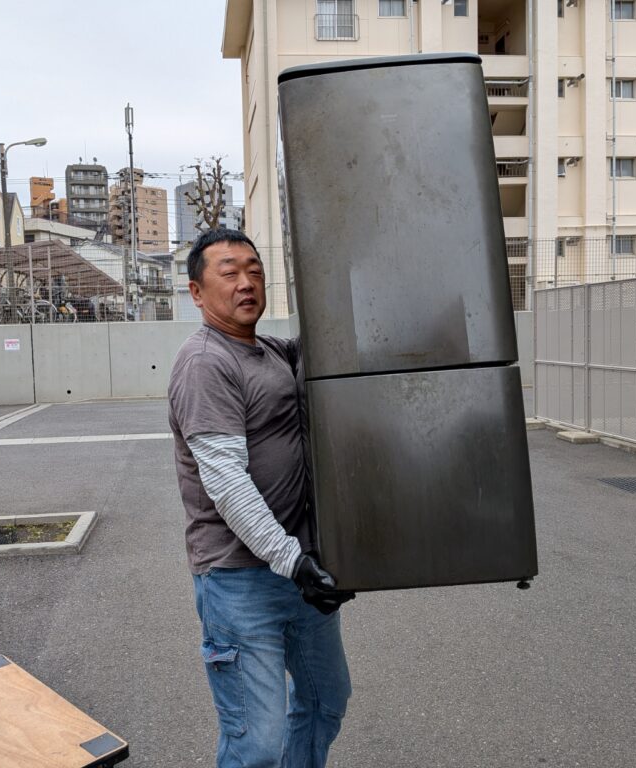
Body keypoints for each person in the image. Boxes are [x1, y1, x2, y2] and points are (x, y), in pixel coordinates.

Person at [168, 228, 354, 767]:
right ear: (197, 292)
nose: (246, 283)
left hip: (299, 569)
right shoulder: (205, 363)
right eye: (229, 273)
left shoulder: (270, 351)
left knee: (324, 702)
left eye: (255, 270)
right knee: (256, 741)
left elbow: (329, 343)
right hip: (240, 578)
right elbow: (225, 480)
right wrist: (293, 560)